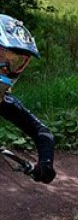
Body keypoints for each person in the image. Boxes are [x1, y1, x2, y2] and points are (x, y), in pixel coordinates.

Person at [0, 15, 55, 184]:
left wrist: (45, 164)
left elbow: (42, 132)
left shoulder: (3, 101)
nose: (5, 68)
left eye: (16, 62)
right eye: (1, 57)